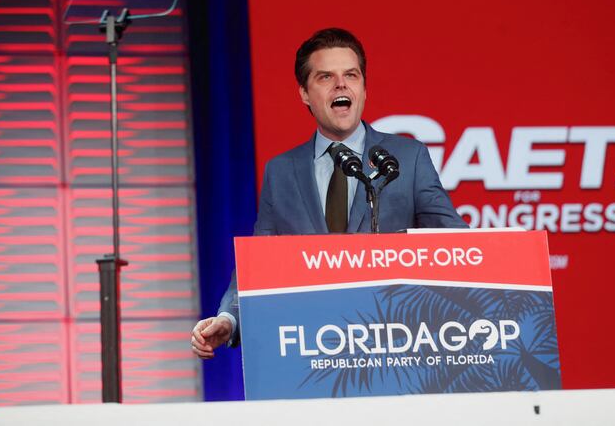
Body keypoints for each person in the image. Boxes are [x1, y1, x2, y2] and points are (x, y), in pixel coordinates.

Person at [191, 28, 466, 359]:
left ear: (363, 88)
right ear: (305, 94)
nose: (341, 84)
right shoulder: (281, 171)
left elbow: (455, 244)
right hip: (315, 349)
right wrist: (229, 318)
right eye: (326, 77)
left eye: (351, 74)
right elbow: (258, 262)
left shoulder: (408, 157)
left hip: (396, 343)